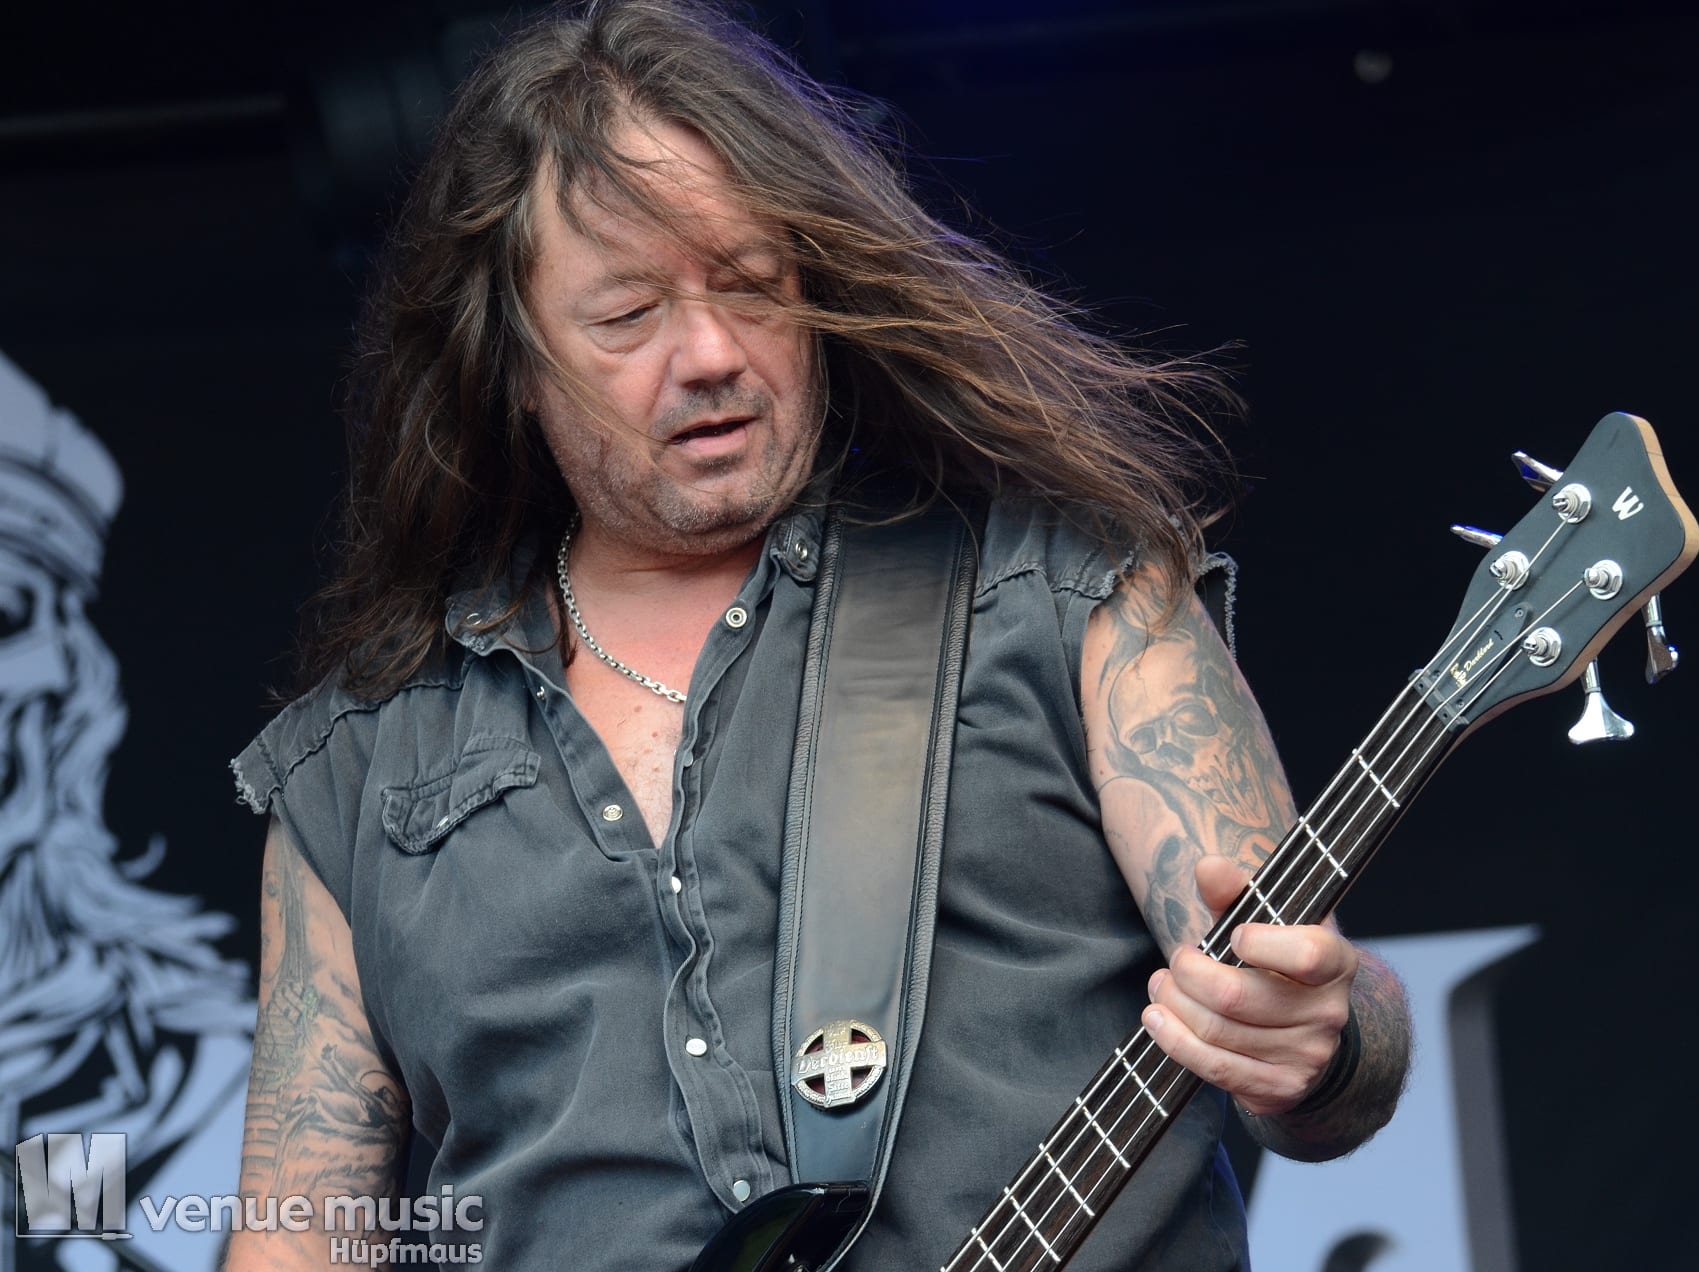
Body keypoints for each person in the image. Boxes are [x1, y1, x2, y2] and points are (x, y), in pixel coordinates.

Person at [227, 2, 1412, 1268]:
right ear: (511, 360)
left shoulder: (1067, 594)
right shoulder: (359, 771)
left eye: (750, 284)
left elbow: (1316, 1012)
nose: (710, 353)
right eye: (628, 314)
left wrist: (1325, 1041)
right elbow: (301, 1239)